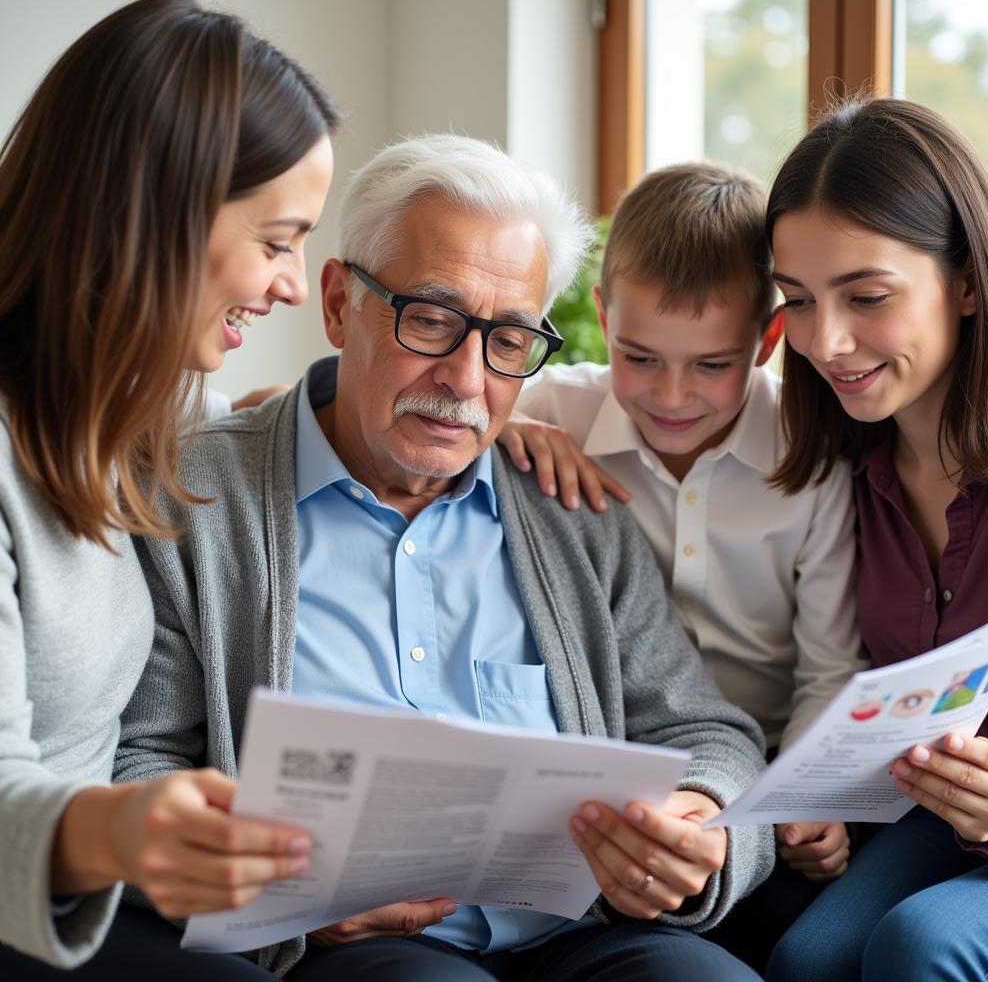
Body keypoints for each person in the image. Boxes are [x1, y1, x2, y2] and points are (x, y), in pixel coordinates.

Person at [116, 134, 775, 980]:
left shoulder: (568, 506)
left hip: (589, 936)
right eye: (430, 319)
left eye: (508, 341)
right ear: (337, 302)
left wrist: (705, 826)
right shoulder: (196, 498)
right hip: (361, 948)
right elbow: (140, 758)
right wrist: (283, 893)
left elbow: (705, 731)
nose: (468, 379)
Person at [0, 0, 338, 979]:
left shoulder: (133, 410)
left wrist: (556, 427)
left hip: (74, 904)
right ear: (158, 213)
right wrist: (118, 826)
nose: (290, 284)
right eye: (277, 241)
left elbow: (267, 412)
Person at [501, 163, 866, 968]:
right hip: (603, 789)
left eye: (711, 364)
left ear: (769, 341)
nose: (671, 395)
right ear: (602, 316)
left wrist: (806, 803)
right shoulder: (552, 408)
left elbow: (827, 670)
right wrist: (498, 428)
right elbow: (369, 404)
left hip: (764, 786)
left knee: (799, 938)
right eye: (638, 357)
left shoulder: (814, 457)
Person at [762, 97, 988, 982]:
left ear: (968, 282)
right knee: (805, 959)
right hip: (931, 816)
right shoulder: (840, 465)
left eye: (866, 297)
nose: (824, 342)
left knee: (925, 949)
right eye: (796, 301)